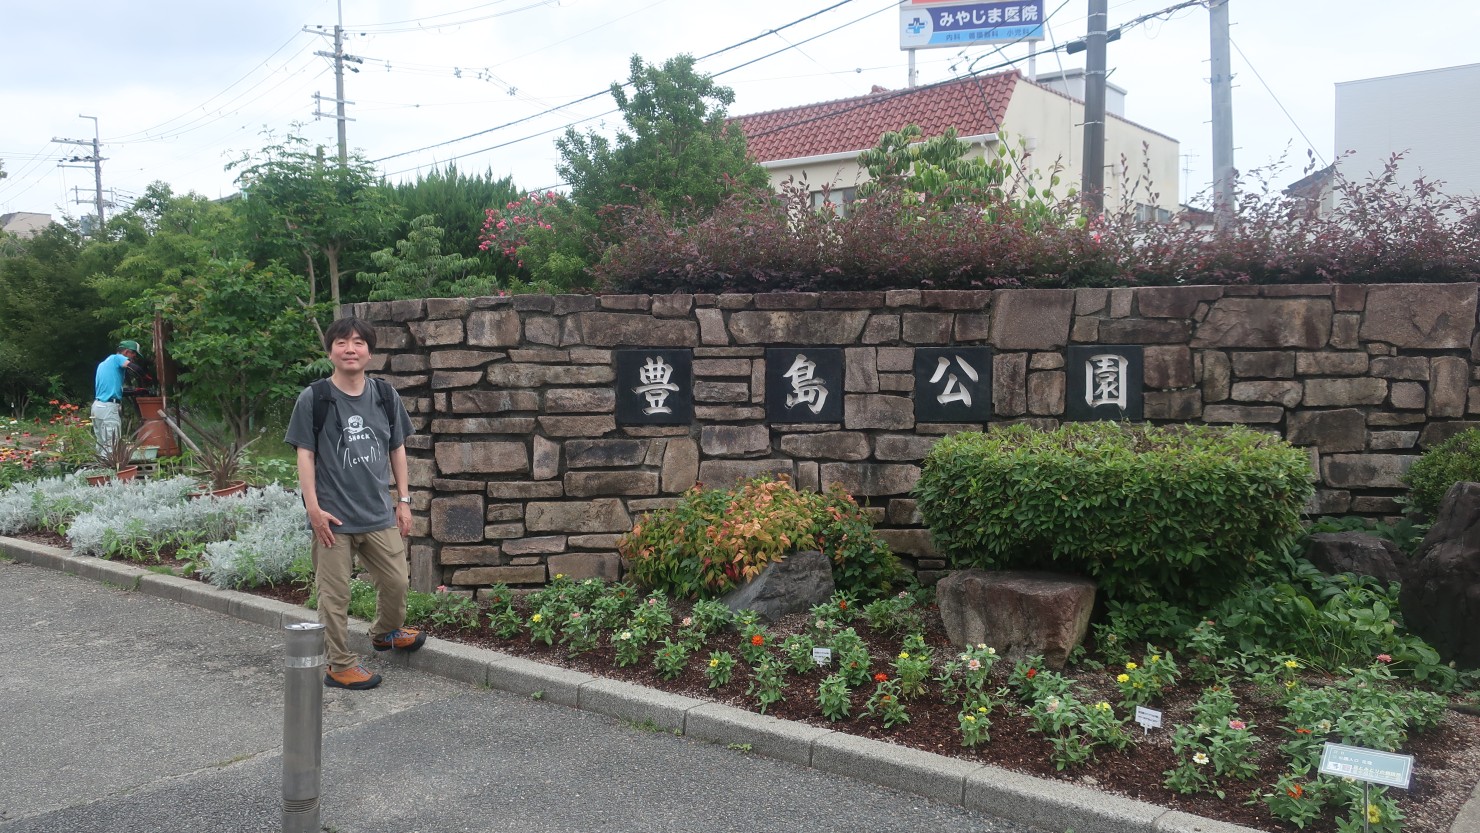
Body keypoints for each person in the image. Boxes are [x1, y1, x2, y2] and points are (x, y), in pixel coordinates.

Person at [285, 317, 423, 690]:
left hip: (378, 512)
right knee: (334, 596)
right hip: (333, 518)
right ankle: (339, 664)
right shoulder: (315, 397)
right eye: (342, 343)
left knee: (396, 580)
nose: (350, 349)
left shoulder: (384, 395)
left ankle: (385, 632)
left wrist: (404, 501)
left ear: (370, 351)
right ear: (330, 350)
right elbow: (304, 455)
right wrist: (313, 509)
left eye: (359, 342)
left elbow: (398, 447)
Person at [92, 339, 147, 454]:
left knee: (102, 443)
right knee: (112, 443)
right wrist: (145, 377)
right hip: (108, 408)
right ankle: (112, 471)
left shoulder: (105, 363)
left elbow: (115, 391)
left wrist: (136, 391)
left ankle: (100, 469)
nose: (134, 358)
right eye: (134, 355)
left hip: (98, 407)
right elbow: (135, 368)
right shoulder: (117, 358)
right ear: (127, 352)